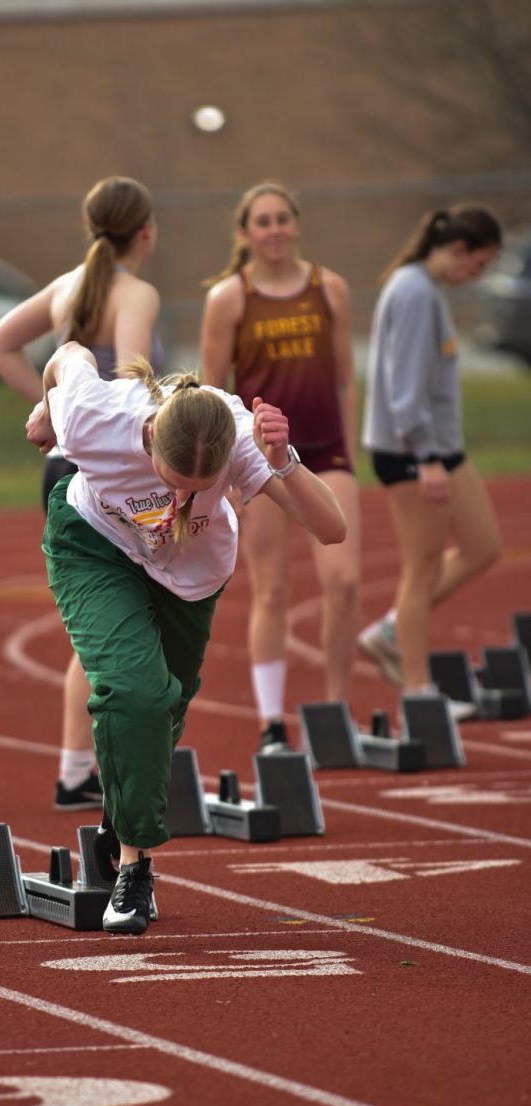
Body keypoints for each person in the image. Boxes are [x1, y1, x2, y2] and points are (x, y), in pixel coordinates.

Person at [31, 341, 346, 933]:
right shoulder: (96, 415)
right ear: (148, 440)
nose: (179, 501)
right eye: (172, 483)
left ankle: (117, 818)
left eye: (197, 490)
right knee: (135, 692)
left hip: (192, 575)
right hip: (96, 547)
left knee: (166, 707)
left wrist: (284, 461)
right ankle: (133, 868)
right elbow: (67, 351)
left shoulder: (241, 435)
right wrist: (47, 406)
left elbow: (331, 529)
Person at [0, 176, 162, 811]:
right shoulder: (135, 292)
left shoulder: (67, 286)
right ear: (145, 231)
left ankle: (76, 770)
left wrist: (50, 406)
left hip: (60, 468)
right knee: (125, 624)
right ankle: (102, 768)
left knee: (97, 625)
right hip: (111, 473)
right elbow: (134, 382)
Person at [199, 181, 361, 752]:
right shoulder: (230, 298)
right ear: (245, 233)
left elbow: (344, 375)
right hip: (258, 457)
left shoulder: (329, 288)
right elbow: (211, 391)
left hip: (326, 449)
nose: (273, 230)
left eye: (281, 219)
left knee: (344, 581)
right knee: (272, 591)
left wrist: (352, 445)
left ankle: (337, 712)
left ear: (297, 223)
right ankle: (272, 723)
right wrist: (222, 472)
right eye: (261, 222)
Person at [358, 205, 503, 715]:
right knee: (419, 569)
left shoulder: (422, 288)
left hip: (440, 448)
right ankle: (419, 692)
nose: (477, 276)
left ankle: (392, 629)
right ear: (459, 250)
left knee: (483, 545)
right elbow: (404, 390)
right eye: (479, 264)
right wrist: (428, 458)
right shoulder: (415, 292)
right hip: (413, 452)